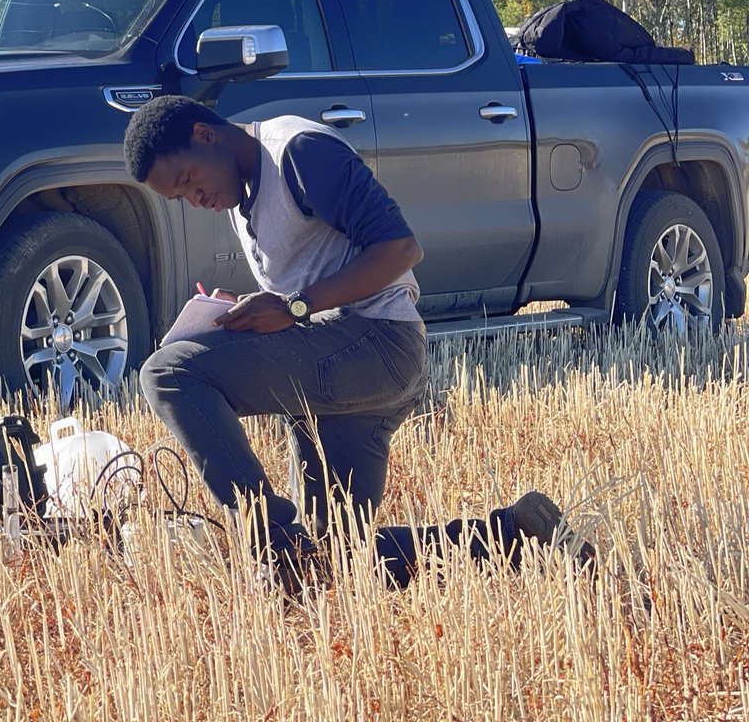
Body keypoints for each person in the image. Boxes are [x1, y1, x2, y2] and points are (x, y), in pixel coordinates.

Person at [123, 94, 593, 592]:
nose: (196, 200)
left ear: (205, 135)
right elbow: (313, 275)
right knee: (333, 566)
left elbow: (400, 249)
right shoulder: (242, 194)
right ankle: (518, 534)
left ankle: (274, 538)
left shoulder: (298, 152)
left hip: (376, 344)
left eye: (189, 182)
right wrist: (245, 307)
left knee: (168, 374)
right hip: (342, 365)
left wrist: (295, 306)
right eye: (181, 198)